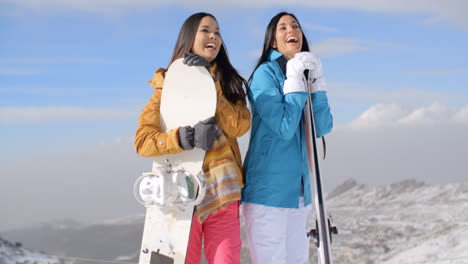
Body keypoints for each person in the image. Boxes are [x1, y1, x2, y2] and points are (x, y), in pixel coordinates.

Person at [134, 12, 250, 264]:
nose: (213, 36)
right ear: (189, 37)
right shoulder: (167, 83)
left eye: (217, 32)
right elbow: (143, 140)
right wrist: (183, 139)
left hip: (223, 190)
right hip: (181, 194)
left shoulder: (229, 81)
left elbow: (239, 126)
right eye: (206, 30)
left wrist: (210, 83)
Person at [241, 12, 333, 264]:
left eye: (295, 25)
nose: (291, 29)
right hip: (268, 195)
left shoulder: (305, 72)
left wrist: (317, 84)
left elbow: (322, 127)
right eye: (282, 27)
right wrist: (293, 82)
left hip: (299, 193)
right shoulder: (265, 74)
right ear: (273, 42)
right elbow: (284, 127)